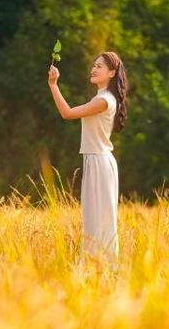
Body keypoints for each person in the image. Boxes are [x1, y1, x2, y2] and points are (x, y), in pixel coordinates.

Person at [48, 50, 128, 268]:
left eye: (100, 66)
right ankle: (97, 271)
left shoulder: (103, 100)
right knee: (94, 222)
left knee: (99, 224)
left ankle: (102, 271)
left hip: (100, 163)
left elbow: (68, 113)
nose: (94, 69)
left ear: (111, 73)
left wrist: (54, 85)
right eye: (94, 65)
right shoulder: (102, 97)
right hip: (97, 162)